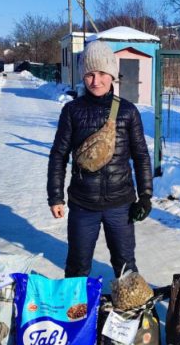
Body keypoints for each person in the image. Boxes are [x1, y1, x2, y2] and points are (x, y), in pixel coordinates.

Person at [48, 40, 153, 278]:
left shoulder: (128, 111)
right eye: (90, 74)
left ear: (112, 75)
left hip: (120, 204)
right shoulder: (72, 111)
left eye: (102, 73)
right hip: (83, 204)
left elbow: (141, 156)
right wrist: (55, 197)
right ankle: (76, 302)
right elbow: (58, 155)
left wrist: (145, 196)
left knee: (126, 266)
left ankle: (130, 303)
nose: (96, 81)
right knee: (77, 265)